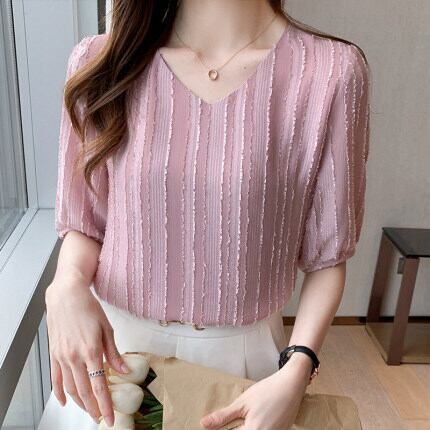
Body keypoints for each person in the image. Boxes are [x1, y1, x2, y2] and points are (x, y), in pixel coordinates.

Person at [38, 0, 370, 429]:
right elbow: (86, 224)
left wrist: (298, 365)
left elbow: (328, 258)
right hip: (113, 360)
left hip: (242, 369)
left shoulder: (330, 73)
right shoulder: (103, 62)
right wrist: (65, 285)